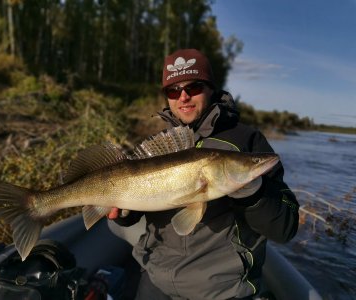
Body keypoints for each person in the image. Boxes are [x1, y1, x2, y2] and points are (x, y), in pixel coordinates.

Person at [108, 49, 299, 300]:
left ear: (210, 88)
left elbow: (285, 228)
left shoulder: (246, 140)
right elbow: (140, 207)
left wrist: (254, 195)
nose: (184, 96)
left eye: (194, 87)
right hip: (156, 279)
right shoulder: (157, 145)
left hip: (222, 290)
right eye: (174, 91)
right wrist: (123, 213)